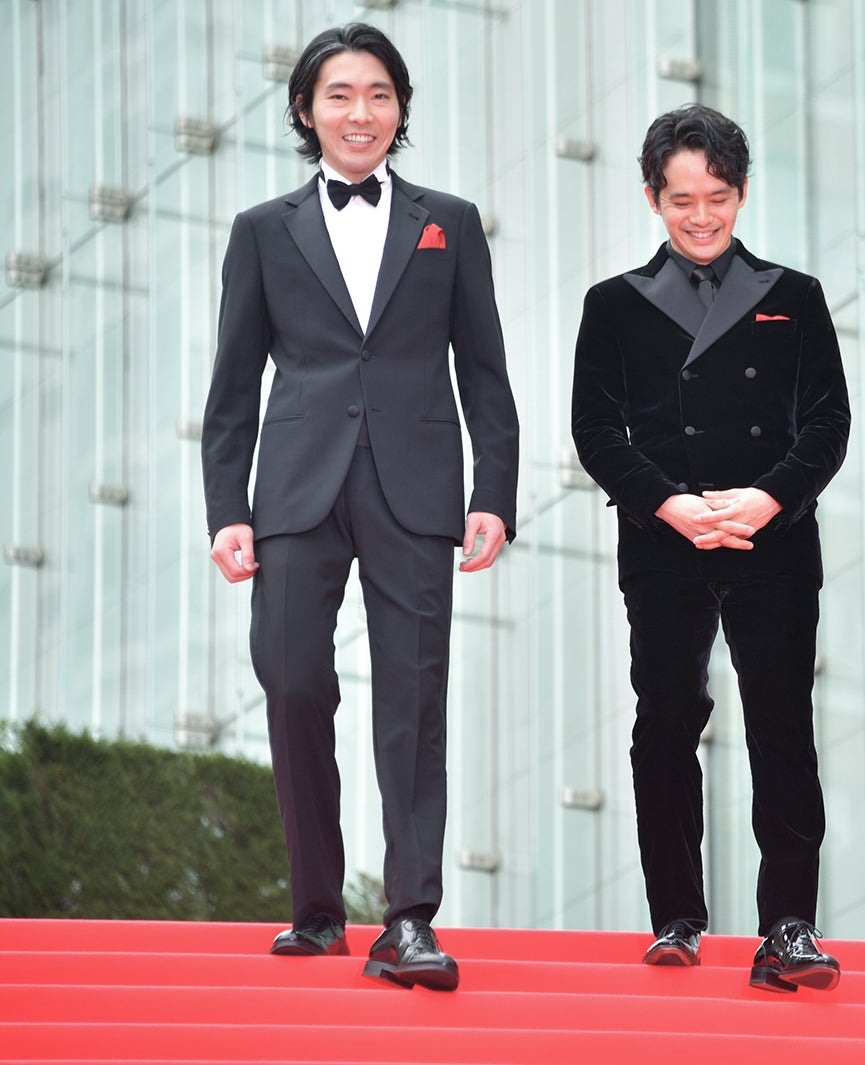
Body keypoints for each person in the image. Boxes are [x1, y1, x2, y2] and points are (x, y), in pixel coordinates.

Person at [201, 22, 519, 992]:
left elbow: (486, 371)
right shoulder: (262, 230)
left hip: (416, 489)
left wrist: (493, 495)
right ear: (306, 110)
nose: (360, 112)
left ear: (400, 108)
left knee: (414, 699)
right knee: (293, 682)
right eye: (339, 95)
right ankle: (316, 909)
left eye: (379, 94)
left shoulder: (449, 222)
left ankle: (410, 919)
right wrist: (226, 508)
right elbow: (232, 387)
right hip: (295, 491)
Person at [571, 104, 850, 993]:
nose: (701, 216)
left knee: (781, 724)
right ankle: (676, 920)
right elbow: (595, 430)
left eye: (718, 197)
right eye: (682, 199)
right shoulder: (613, 304)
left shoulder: (794, 295)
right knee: (666, 721)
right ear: (652, 197)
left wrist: (768, 498)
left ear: (742, 193)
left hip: (774, 539)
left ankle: (790, 926)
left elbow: (828, 423)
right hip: (666, 542)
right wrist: (671, 505)